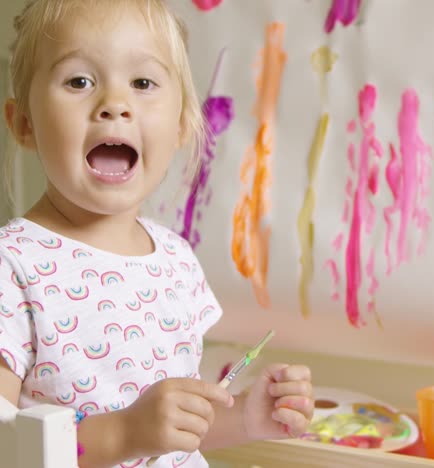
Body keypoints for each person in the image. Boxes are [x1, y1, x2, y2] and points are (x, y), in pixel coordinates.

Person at [0, 1, 314, 466]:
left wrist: (247, 416)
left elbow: (178, 433)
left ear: (182, 126)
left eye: (143, 83)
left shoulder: (175, 257)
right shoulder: (12, 267)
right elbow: (7, 446)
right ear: (24, 123)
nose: (114, 105)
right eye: (79, 81)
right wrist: (123, 434)